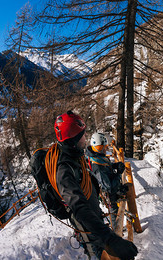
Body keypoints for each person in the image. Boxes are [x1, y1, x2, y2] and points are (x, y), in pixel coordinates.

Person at [54, 111, 138, 259]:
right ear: (73, 138)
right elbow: (78, 207)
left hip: (94, 222)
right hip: (89, 229)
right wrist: (111, 239)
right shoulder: (65, 169)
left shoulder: (77, 158)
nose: (86, 138)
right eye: (82, 135)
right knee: (99, 256)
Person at [86, 132, 126, 230]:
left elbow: (106, 166)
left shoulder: (97, 157)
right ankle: (117, 230)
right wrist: (118, 174)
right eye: (101, 147)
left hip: (107, 188)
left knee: (114, 209)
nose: (104, 149)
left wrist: (114, 166)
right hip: (108, 193)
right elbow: (109, 187)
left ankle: (116, 228)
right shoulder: (96, 164)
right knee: (113, 209)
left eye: (104, 147)